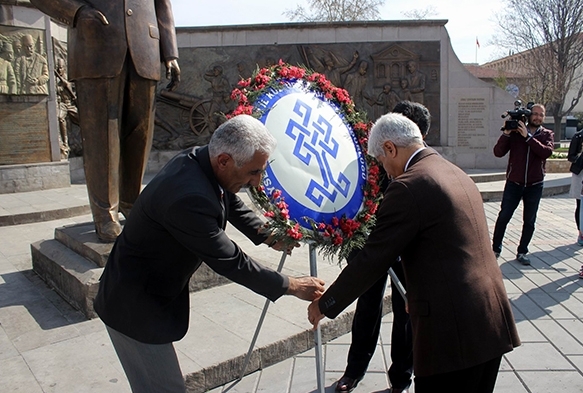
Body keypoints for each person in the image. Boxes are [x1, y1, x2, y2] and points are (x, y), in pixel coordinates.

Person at [93, 115, 326, 392]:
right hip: (134, 308)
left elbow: (228, 200)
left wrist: (267, 235)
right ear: (225, 160)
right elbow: (231, 262)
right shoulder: (187, 198)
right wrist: (293, 285)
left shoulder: (201, 161)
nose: (257, 181)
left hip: (146, 295)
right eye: (253, 172)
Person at [308, 113, 520, 393]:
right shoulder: (454, 171)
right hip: (490, 321)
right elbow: (442, 246)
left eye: (382, 161)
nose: (385, 171)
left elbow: (373, 259)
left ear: (390, 148)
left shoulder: (408, 186)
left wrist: (325, 305)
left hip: (452, 335)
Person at [30, 0, 181, 242]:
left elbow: (162, 5)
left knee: (140, 133)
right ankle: (105, 214)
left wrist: (170, 52)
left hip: (146, 45)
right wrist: (77, 12)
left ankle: (132, 204)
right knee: (101, 134)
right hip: (96, 43)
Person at [335, 101, 431, 393]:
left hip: (406, 248)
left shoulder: (419, 168)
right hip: (370, 244)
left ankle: (401, 377)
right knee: (367, 305)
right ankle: (354, 371)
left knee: (405, 315)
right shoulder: (369, 160)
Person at [492, 104, 554, 265]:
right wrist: (506, 133)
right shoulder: (515, 134)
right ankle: (495, 249)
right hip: (514, 183)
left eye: (541, 115)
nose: (538, 117)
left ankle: (522, 251)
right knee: (504, 216)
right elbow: (498, 152)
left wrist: (528, 137)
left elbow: (545, 152)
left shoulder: (547, 134)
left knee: (529, 220)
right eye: (535, 114)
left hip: (535, 184)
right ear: (528, 115)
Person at [567, 129, 583, 245]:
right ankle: (581, 233)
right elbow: (570, 156)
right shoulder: (578, 136)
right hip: (580, 173)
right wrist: (580, 157)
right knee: (580, 204)